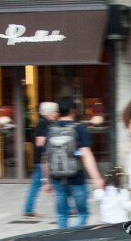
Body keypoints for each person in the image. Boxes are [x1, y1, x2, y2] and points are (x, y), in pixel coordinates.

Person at [43, 95, 104, 228]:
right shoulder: (78, 129)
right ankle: (74, 237)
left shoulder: (50, 130)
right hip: (76, 177)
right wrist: (96, 178)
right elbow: (86, 155)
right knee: (83, 213)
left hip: (57, 178)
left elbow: (46, 157)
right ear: (73, 110)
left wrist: (47, 181)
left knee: (61, 215)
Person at [22, 101, 57, 220]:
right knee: (54, 183)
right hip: (42, 160)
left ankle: (28, 209)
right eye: (54, 111)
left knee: (36, 185)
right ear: (49, 112)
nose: (56, 113)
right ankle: (28, 210)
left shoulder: (44, 122)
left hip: (41, 160)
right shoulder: (42, 123)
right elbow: (40, 143)